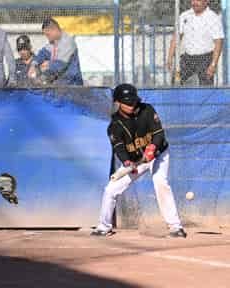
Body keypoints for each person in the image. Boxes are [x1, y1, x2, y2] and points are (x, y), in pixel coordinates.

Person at [91, 84, 186, 238]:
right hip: (136, 161)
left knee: (159, 180)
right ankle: (104, 227)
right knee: (110, 189)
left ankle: (176, 227)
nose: (132, 105)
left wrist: (152, 148)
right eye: (127, 103)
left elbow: (159, 134)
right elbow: (119, 148)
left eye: (133, 101)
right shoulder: (115, 125)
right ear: (118, 103)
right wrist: (127, 163)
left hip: (159, 154)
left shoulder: (147, 110)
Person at [167, 0, 224, 86]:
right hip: (188, 58)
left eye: (198, 0)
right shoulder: (185, 16)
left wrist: (213, 64)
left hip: (205, 59)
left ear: (206, 1)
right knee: (174, 82)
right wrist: (170, 57)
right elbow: (176, 37)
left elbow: (218, 42)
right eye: (193, 0)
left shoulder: (213, 17)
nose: (194, 3)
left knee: (206, 86)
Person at [28, 18, 83, 86]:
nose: (47, 37)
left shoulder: (68, 42)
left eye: (48, 35)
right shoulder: (54, 42)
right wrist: (33, 65)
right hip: (60, 85)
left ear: (54, 30)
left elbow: (60, 65)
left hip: (73, 85)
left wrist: (47, 66)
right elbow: (43, 53)